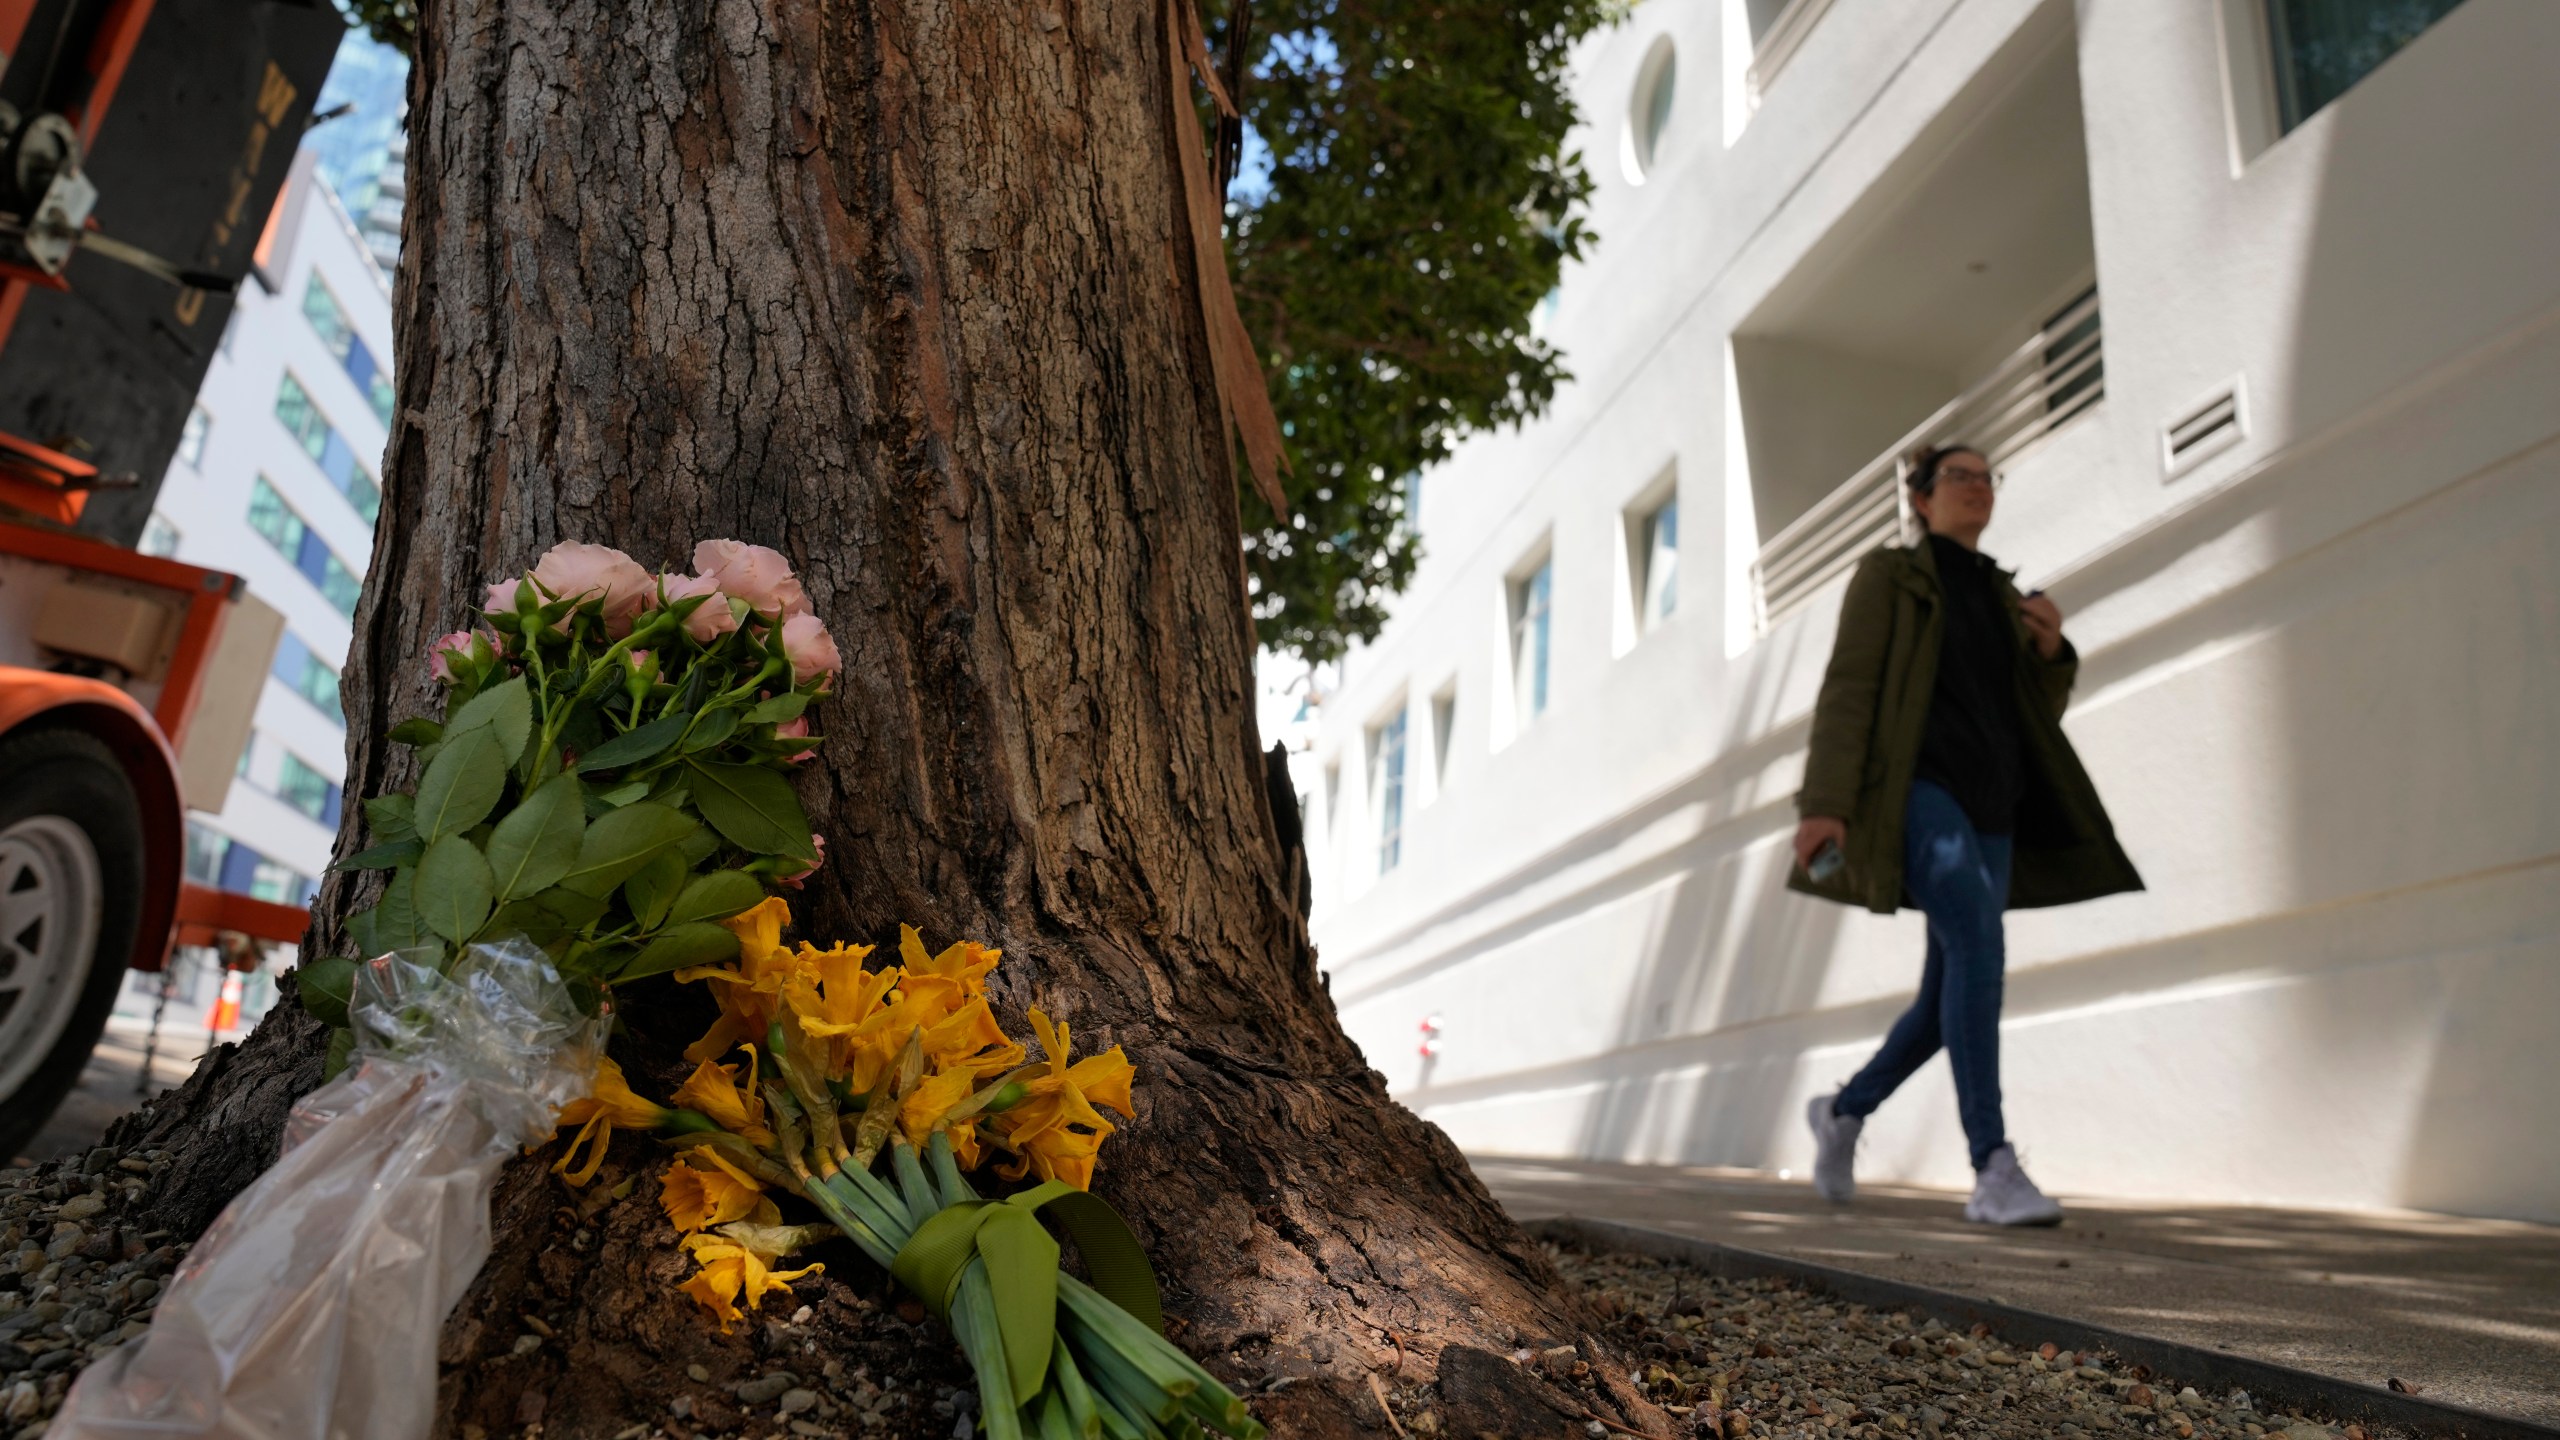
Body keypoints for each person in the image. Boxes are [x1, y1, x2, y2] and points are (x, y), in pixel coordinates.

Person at [1788, 444, 2141, 1226]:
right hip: (1918, 796)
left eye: (1989, 478)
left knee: (1948, 992)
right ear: (1920, 498)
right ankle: (1993, 1165)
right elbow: (1849, 686)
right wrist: (1824, 803)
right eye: (1961, 477)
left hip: (1995, 809)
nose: (1979, 489)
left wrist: (2051, 651)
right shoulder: (1893, 576)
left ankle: (1843, 1110)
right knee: (1980, 950)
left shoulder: (2005, 594)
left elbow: (2031, 716)